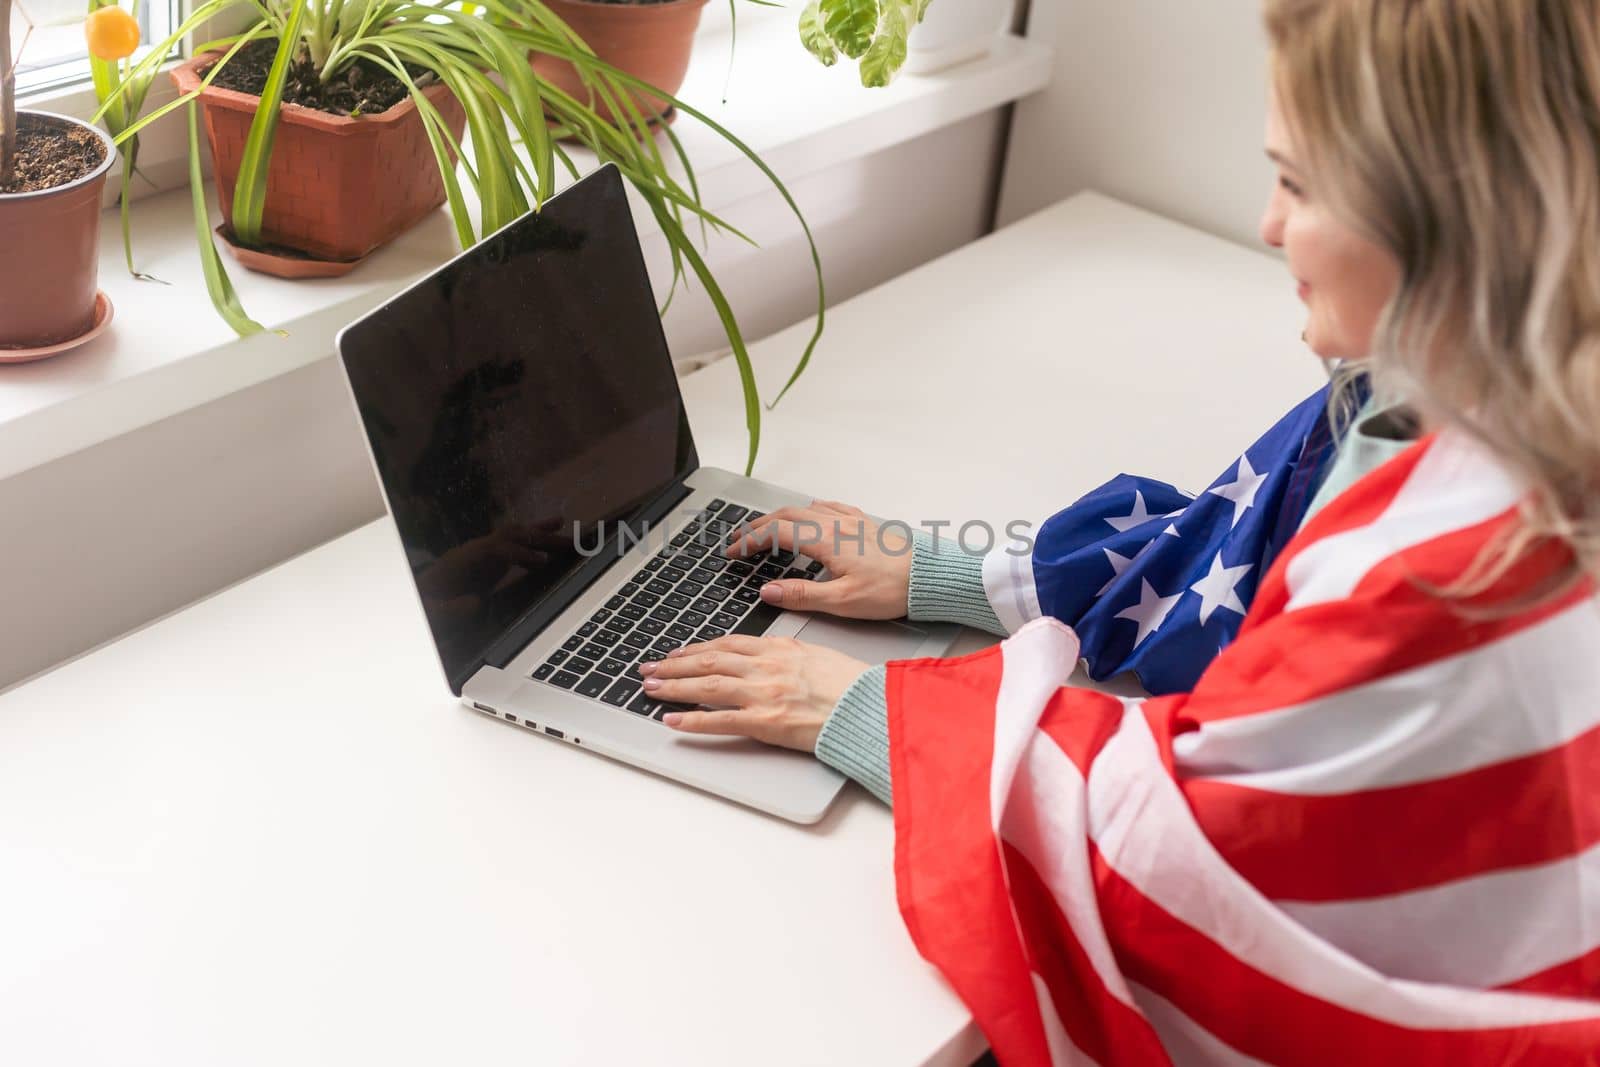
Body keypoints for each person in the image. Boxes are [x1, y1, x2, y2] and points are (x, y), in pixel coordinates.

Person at [640, 0, 1600, 1058]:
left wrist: (871, 711)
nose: (1268, 226)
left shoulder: (1455, 570)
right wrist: (950, 577)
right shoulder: (1478, 401)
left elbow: (1174, 875)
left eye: (1299, 183)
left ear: (1443, 216)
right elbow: (1239, 552)